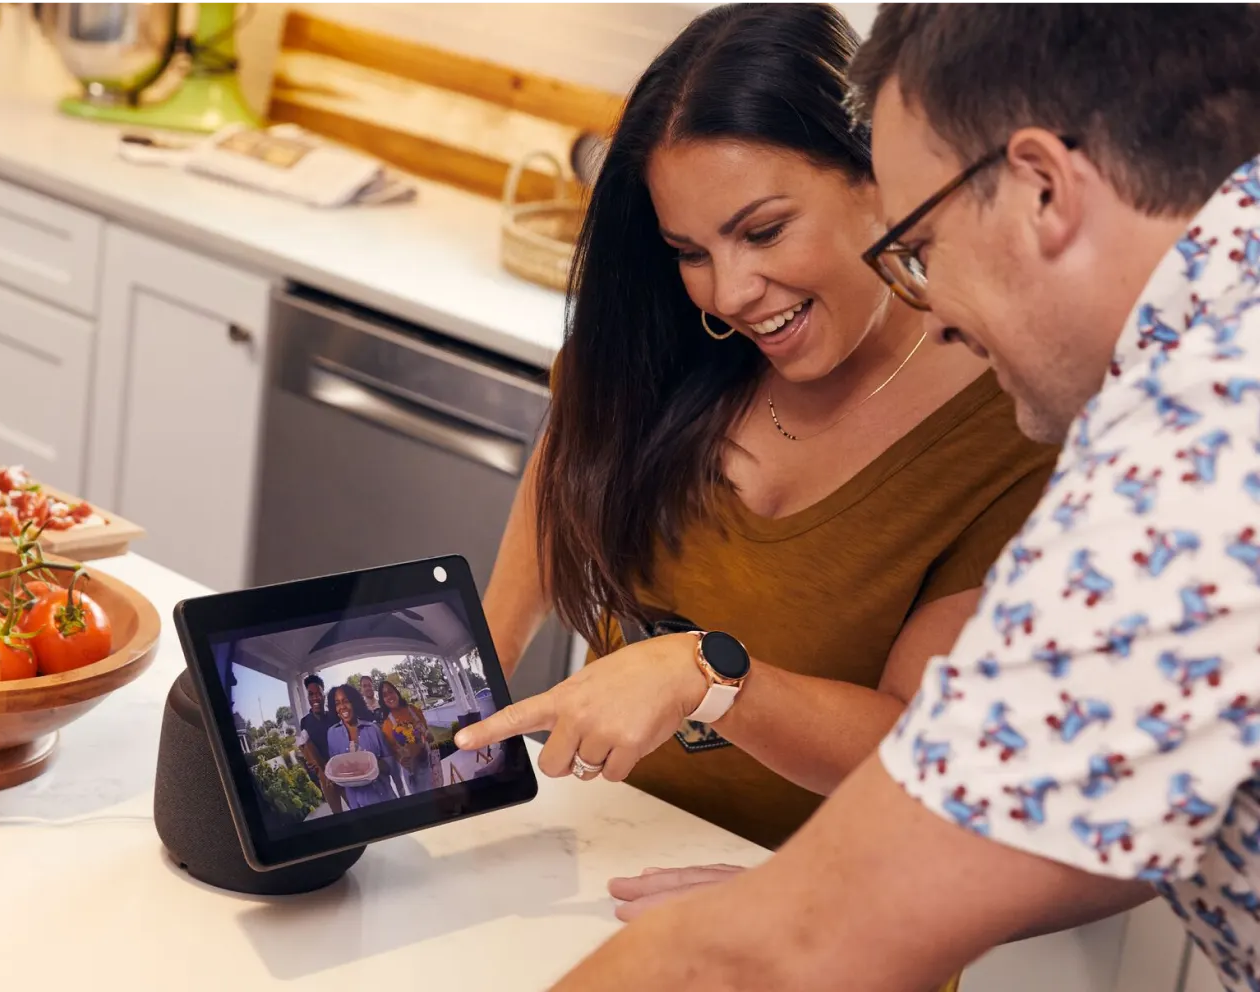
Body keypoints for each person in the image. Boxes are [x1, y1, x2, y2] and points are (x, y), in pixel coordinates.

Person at [545, 2, 1260, 990]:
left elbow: (780, 954)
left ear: (1044, 189)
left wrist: (800, 910)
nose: (940, 309)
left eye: (922, 243)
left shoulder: (1194, 459)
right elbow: (1115, 799)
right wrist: (809, 900)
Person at [469, 0, 1056, 854]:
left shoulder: (1006, 431)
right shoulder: (666, 344)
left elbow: (909, 746)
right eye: (692, 251)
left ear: (875, 177)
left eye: (764, 231)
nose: (731, 292)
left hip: (818, 921)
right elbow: (567, 463)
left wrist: (706, 678)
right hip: (596, 857)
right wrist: (473, 681)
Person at [325, 683, 399, 810]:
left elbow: (391, 767)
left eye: (346, 701)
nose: (342, 706)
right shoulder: (332, 734)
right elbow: (336, 767)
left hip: (383, 799)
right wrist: (333, 778)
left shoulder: (373, 729)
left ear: (354, 703)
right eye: (337, 703)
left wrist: (372, 765)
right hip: (356, 805)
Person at [378, 680, 436, 796]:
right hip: (412, 771)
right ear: (382, 701)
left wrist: (427, 734)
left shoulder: (413, 710)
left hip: (428, 762)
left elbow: (430, 737)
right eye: (384, 695)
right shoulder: (387, 725)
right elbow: (393, 752)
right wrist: (401, 759)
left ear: (397, 692)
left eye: (391, 691)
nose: (389, 696)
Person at [298, 674, 344, 814]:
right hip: (325, 777)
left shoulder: (334, 716)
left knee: (355, 807)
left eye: (318, 693)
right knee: (338, 814)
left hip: (342, 770)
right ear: (308, 697)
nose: (315, 698)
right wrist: (310, 763)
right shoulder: (305, 722)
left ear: (323, 693)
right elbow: (307, 748)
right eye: (311, 694)